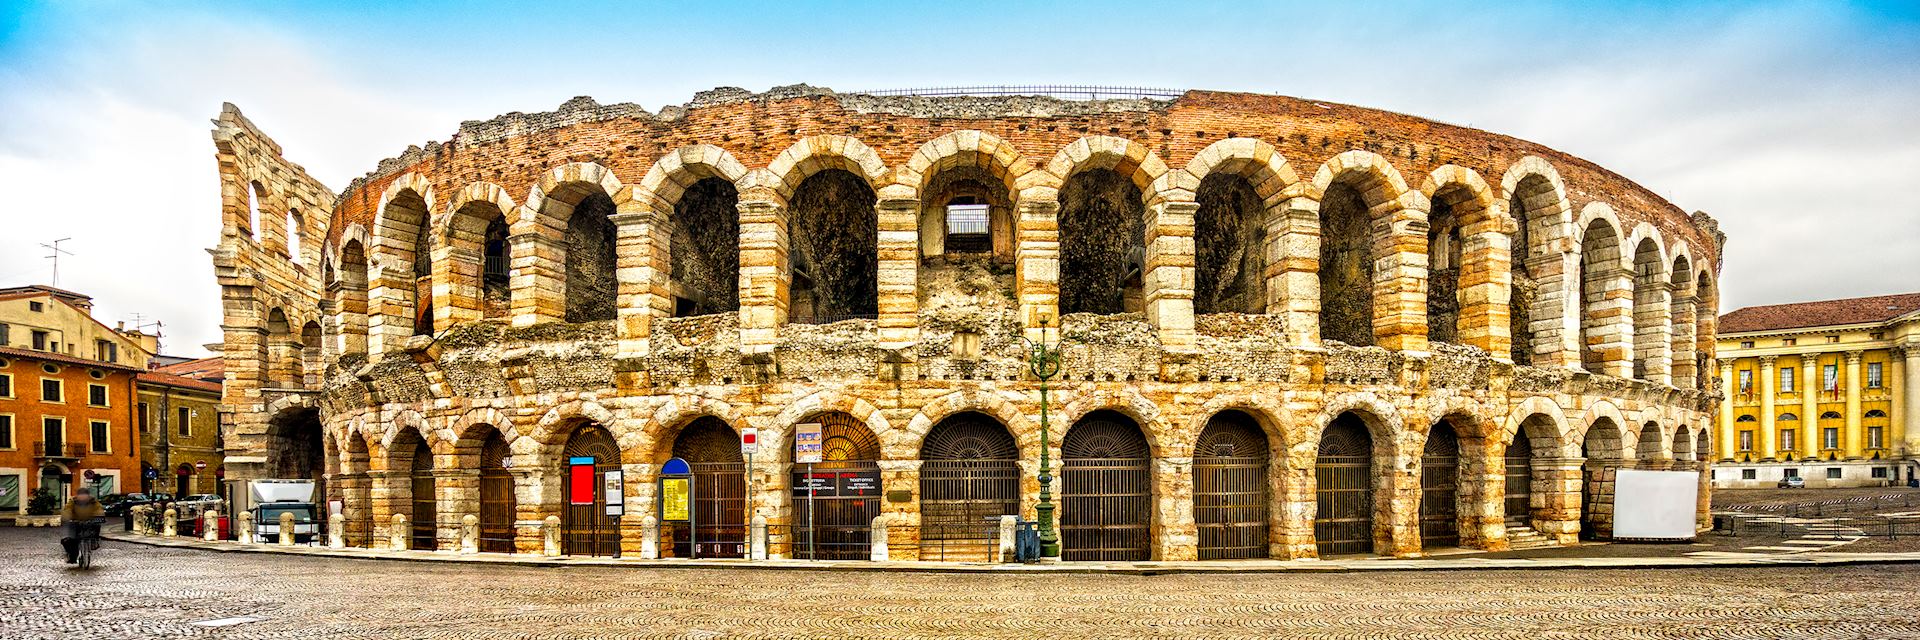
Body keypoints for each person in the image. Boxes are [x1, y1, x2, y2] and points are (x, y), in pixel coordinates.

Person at [61, 488, 106, 564]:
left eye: (84, 495)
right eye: (81, 495)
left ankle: (95, 541)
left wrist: (99, 517)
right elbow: (67, 509)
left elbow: (99, 509)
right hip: (76, 522)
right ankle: (73, 556)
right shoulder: (73, 501)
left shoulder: (93, 501)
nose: (83, 497)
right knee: (71, 540)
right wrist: (67, 517)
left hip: (90, 522)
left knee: (96, 527)